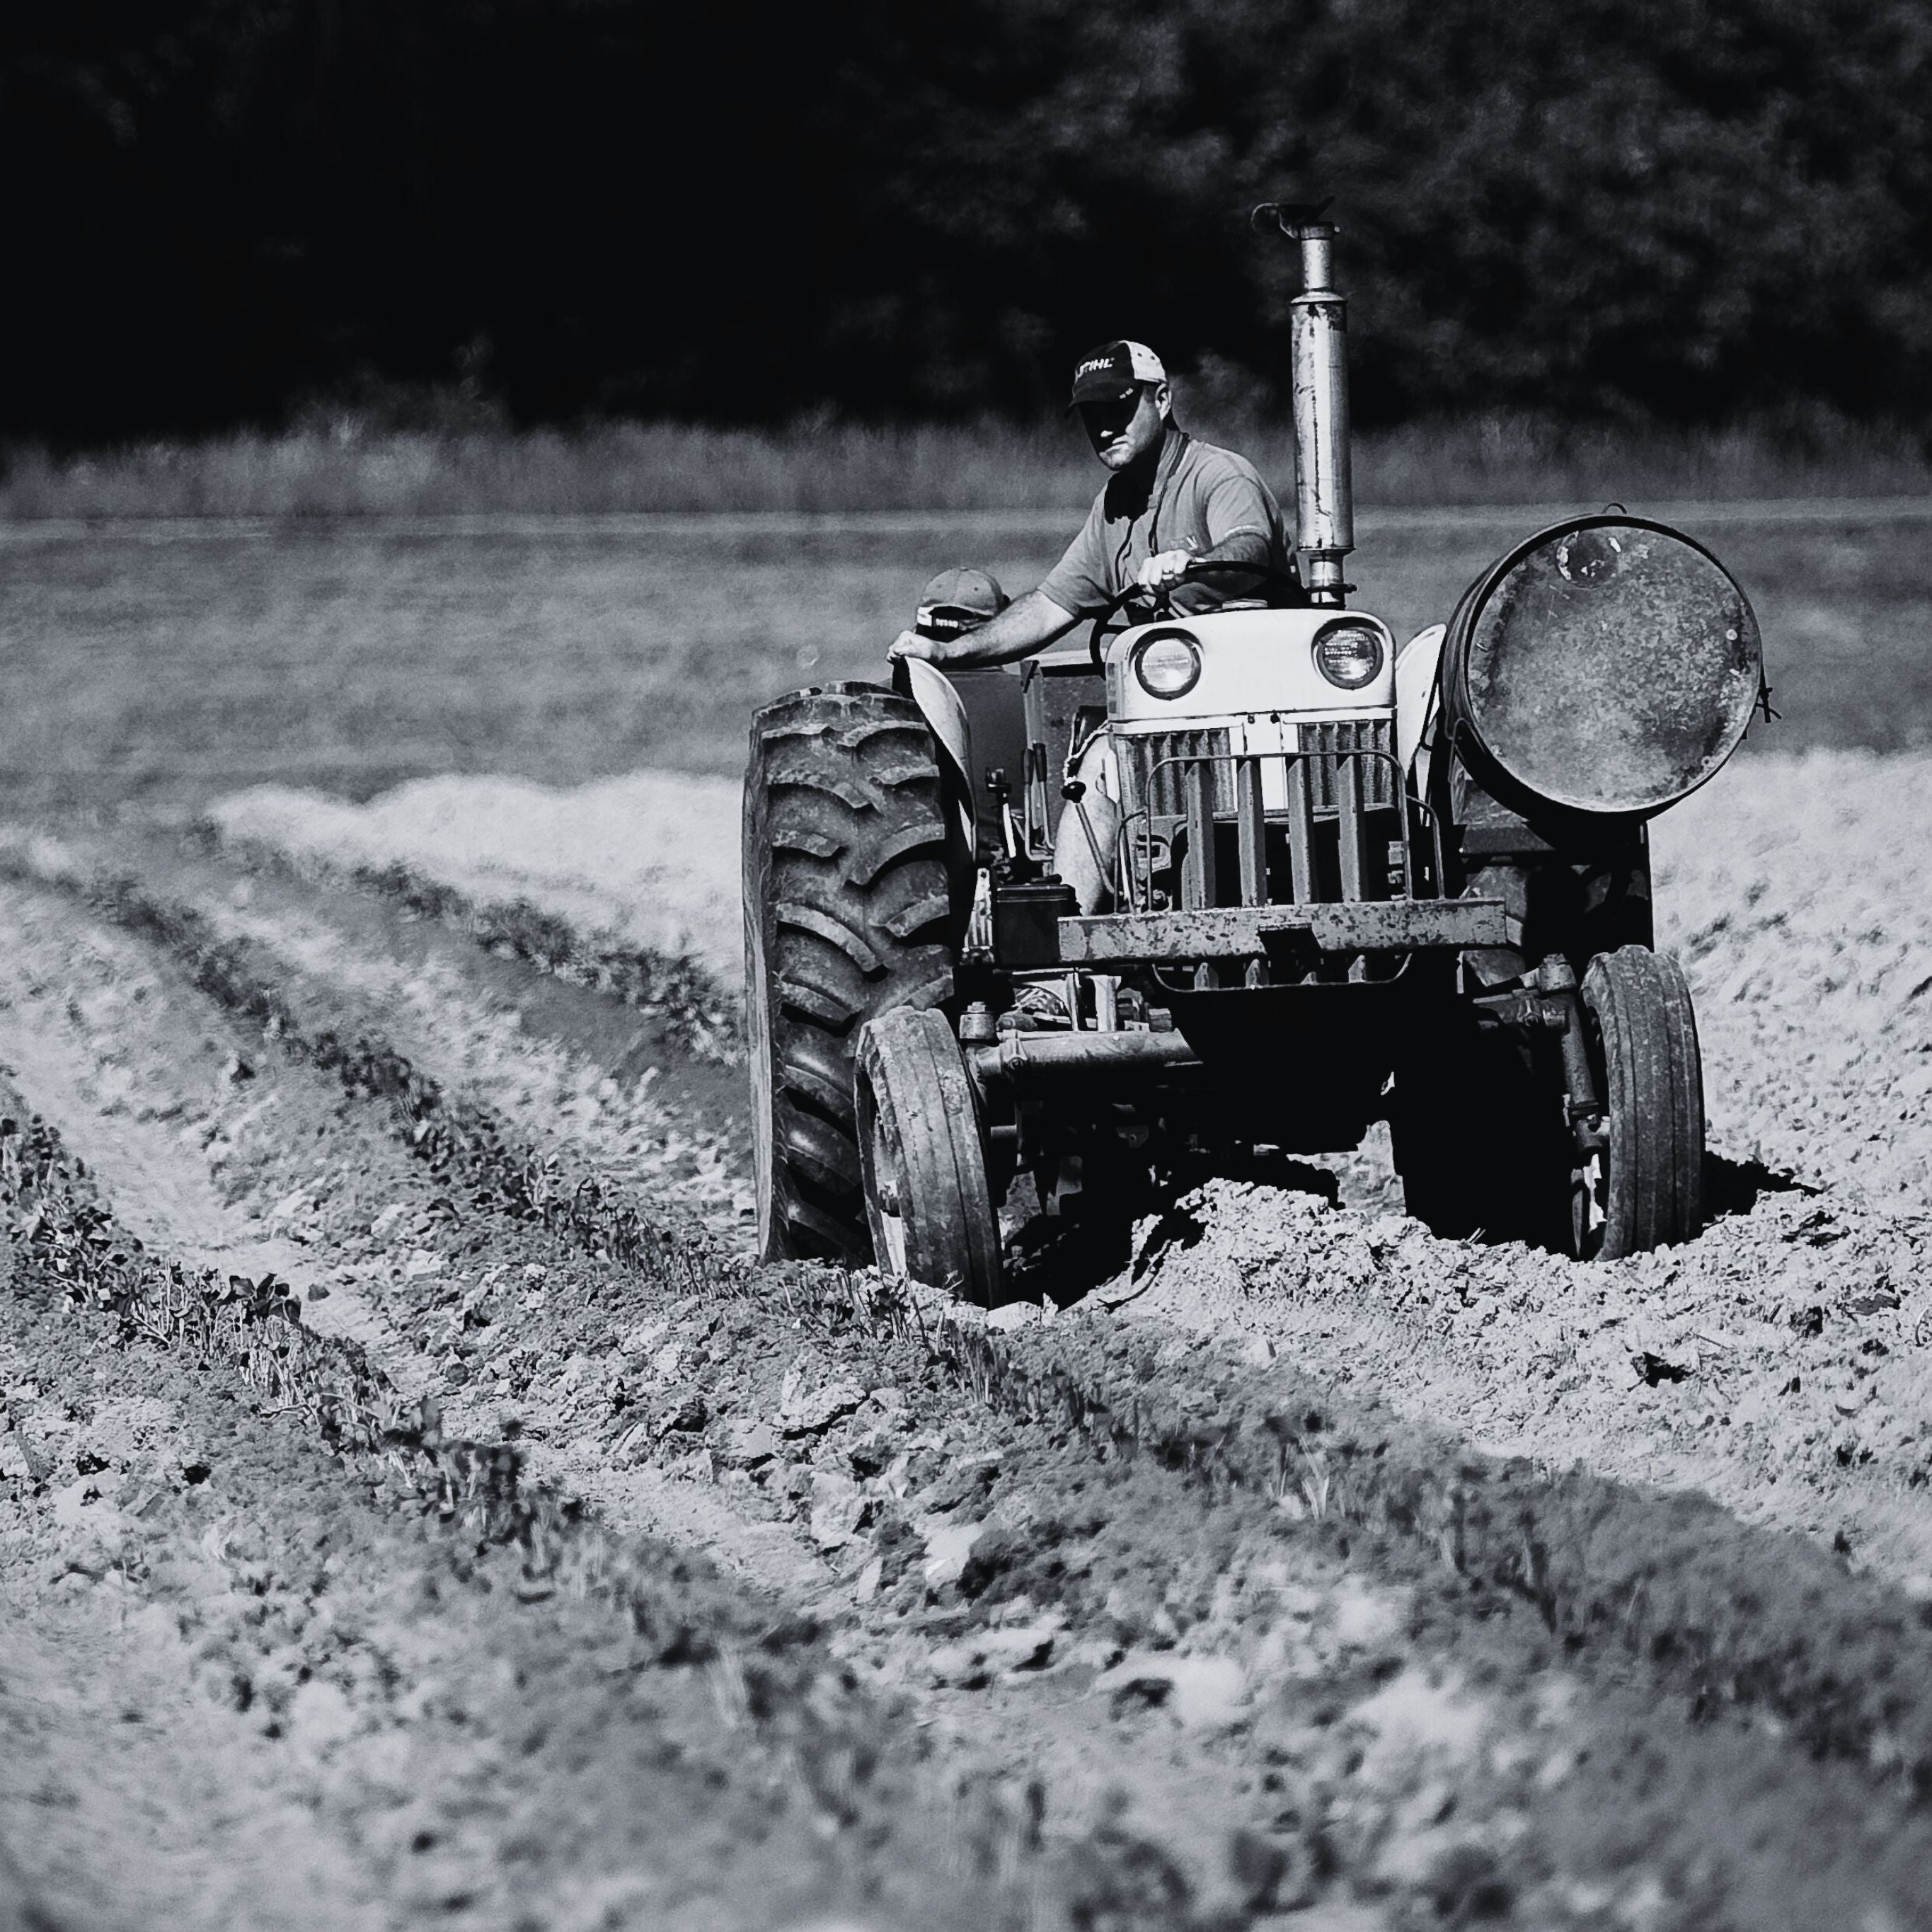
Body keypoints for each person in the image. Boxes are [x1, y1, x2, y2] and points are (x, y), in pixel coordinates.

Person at [888, 340, 1294, 911]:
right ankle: (1067, 963)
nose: (1105, 428)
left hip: (1262, 707)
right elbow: (1051, 606)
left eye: (1120, 409)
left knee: (1109, 757)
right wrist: (950, 654)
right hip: (1169, 717)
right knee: (1094, 771)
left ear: (1164, 399)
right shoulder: (1116, 506)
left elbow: (1251, 550)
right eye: (1092, 417)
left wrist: (1193, 565)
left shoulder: (1218, 475)